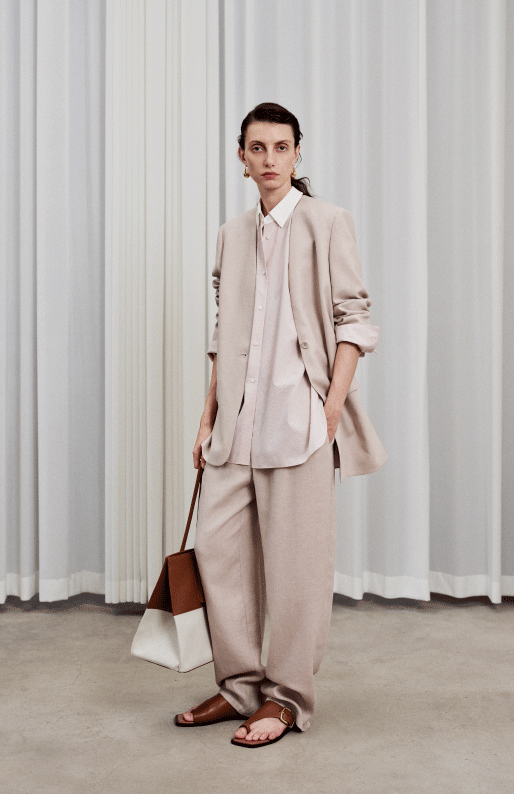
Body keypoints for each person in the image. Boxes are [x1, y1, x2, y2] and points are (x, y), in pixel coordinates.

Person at [174, 103, 387, 748]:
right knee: (219, 554)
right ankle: (240, 686)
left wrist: (329, 411)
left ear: (298, 154)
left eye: (280, 147)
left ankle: (287, 697)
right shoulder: (231, 234)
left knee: (297, 570)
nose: (269, 159)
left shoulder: (328, 223)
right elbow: (224, 336)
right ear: (241, 158)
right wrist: (207, 419)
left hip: (300, 425)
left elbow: (353, 320)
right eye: (257, 148)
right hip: (237, 427)